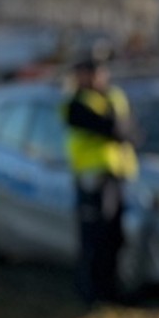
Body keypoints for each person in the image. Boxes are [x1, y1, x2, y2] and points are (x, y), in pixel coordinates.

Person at [64, 53, 139, 304]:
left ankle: (110, 291)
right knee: (92, 239)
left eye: (99, 72)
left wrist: (121, 129)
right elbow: (113, 128)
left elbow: (133, 132)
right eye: (91, 73)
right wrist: (120, 129)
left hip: (117, 177)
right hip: (91, 179)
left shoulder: (114, 96)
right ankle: (89, 293)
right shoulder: (77, 102)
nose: (97, 77)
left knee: (113, 237)